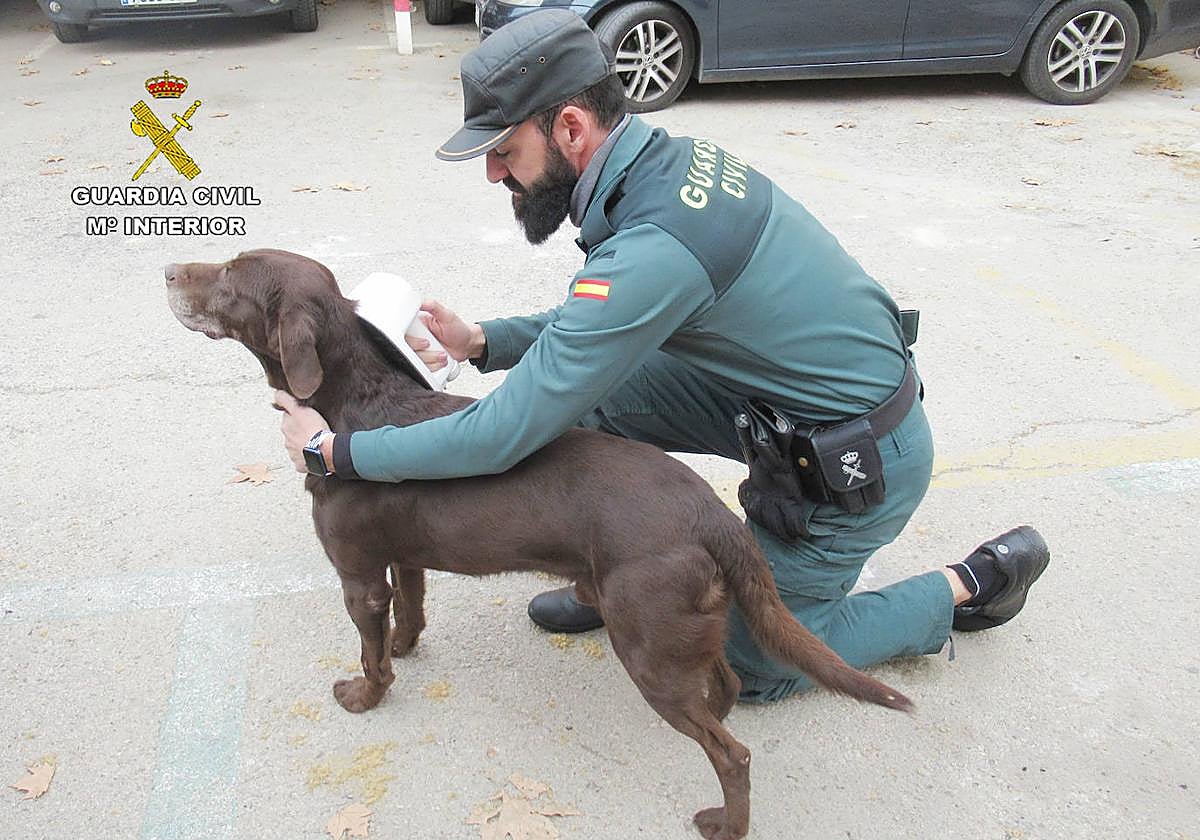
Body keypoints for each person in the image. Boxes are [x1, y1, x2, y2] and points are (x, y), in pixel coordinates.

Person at [276, 9, 1049, 703]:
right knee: (597, 398)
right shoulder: (661, 169)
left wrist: (339, 451)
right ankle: (603, 568)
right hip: (778, 405)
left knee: (757, 659)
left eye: (505, 151)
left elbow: (499, 434)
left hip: (857, 460)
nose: (493, 174)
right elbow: (601, 322)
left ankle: (963, 588)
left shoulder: (654, 246)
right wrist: (484, 341)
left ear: (571, 129)